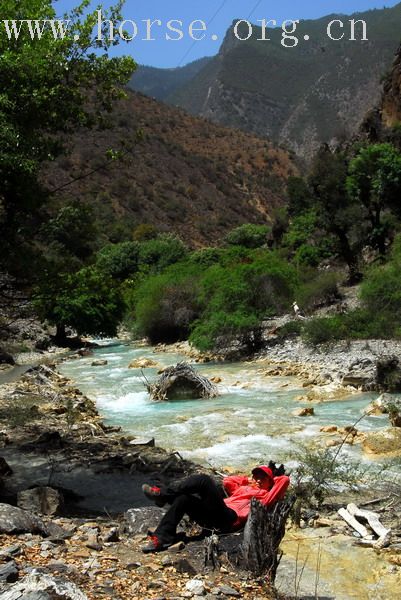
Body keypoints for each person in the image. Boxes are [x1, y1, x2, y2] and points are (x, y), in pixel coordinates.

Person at [140, 463, 290, 553]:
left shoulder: (266, 496)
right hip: (214, 515)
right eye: (256, 476)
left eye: (262, 478)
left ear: (270, 482)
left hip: (229, 519)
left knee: (204, 480)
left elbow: (284, 480)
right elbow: (228, 481)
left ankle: (163, 495)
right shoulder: (242, 488)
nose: (258, 480)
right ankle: (162, 538)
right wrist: (247, 479)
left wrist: (271, 480)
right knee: (183, 499)